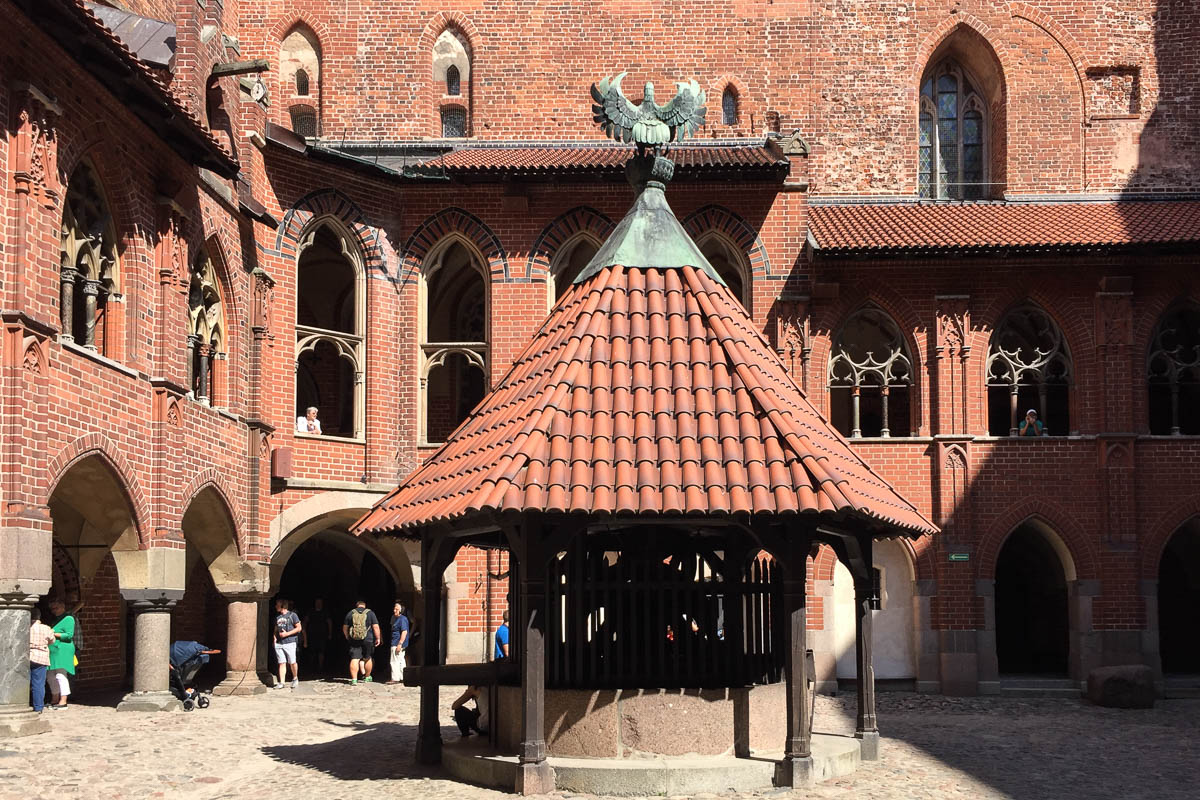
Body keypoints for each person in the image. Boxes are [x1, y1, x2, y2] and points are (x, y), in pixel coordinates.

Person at [343, 599, 380, 684]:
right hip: (368, 639)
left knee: (355, 658)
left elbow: (345, 627)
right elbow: (376, 627)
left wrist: (347, 636)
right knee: (367, 658)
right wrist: (378, 638)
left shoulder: (351, 613)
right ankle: (367, 677)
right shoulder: (370, 613)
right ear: (364, 606)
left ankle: (354, 679)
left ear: (357, 606)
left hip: (354, 639)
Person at [47, 599, 75, 709]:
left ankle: (63, 700)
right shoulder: (54, 620)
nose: (54, 611)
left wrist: (54, 633)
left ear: (63, 607)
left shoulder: (68, 618)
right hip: (53, 650)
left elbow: (68, 635)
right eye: (52, 609)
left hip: (63, 650)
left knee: (60, 675)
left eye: (56, 608)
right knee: (50, 676)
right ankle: (54, 698)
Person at [29, 608, 55, 713]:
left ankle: (22, 704)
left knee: (23, 682)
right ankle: (38, 707)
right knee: (38, 684)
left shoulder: (24, 627)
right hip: (41, 657)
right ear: (39, 617)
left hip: (26, 656)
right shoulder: (46, 628)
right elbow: (52, 641)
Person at [272, 597, 302, 689]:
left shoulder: (293, 615)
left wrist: (287, 634)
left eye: (277, 604)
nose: (275, 606)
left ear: (282, 605)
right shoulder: (277, 617)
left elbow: (299, 628)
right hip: (279, 643)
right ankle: (282, 682)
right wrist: (274, 638)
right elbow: (276, 629)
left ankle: (295, 678)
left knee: (292, 662)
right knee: (281, 662)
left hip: (290, 642)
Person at [302, 597, 332, 673]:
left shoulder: (325, 612)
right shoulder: (310, 611)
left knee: (321, 651)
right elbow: (305, 621)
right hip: (311, 634)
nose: (318, 604)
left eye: (320, 602)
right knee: (311, 651)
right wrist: (303, 630)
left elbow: (329, 622)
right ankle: (311, 666)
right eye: (317, 602)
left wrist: (330, 633)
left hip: (322, 634)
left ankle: (320, 667)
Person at [387, 601, 410, 684]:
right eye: (394, 609)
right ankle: (402, 677)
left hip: (397, 642)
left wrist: (400, 643)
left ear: (401, 610)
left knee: (394, 660)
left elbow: (404, 631)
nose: (394, 610)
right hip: (395, 641)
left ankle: (395, 678)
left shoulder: (402, 619)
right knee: (400, 660)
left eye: (396, 609)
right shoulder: (394, 618)